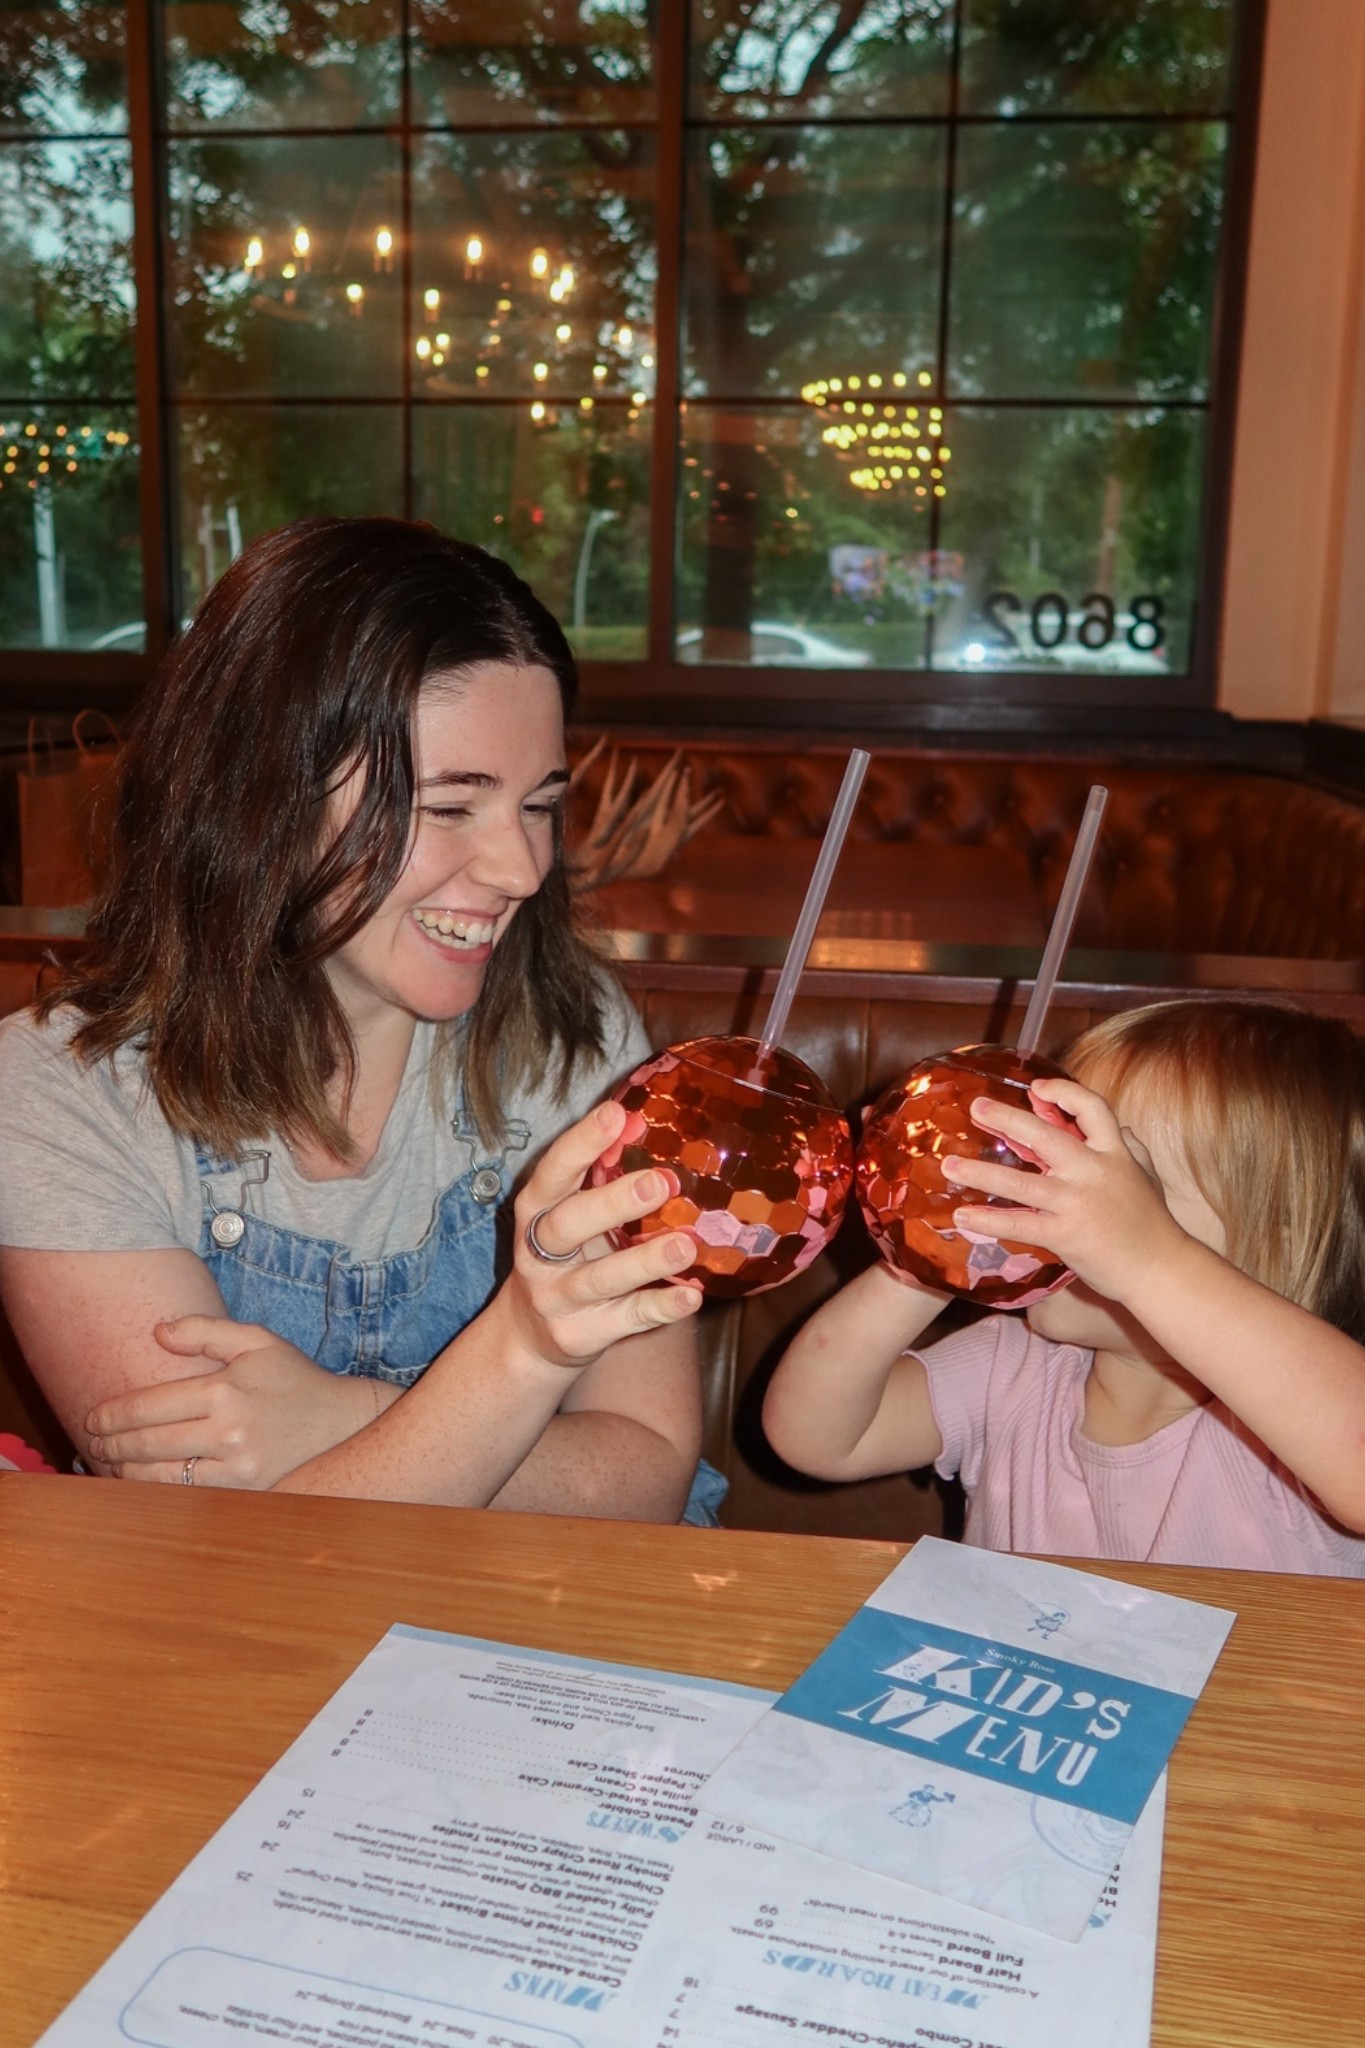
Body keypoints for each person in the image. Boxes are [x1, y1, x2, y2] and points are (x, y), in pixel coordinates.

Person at [0, 516, 721, 1523]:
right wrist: (522, 1357)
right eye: (448, 805)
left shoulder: (571, 1035)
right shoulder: (58, 1092)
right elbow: (205, 1542)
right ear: (262, 795)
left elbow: (646, 1470)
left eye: (539, 802)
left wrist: (341, 1420)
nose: (520, 870)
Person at [763, 999, 1365, 1573]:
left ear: (1284, 1240)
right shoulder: (1019, 1369)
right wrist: (926, 1255)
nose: (1045, 1193)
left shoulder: (1293, 1433)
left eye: (1118, 1181)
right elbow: (817, 1439)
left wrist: (1151, 1261)